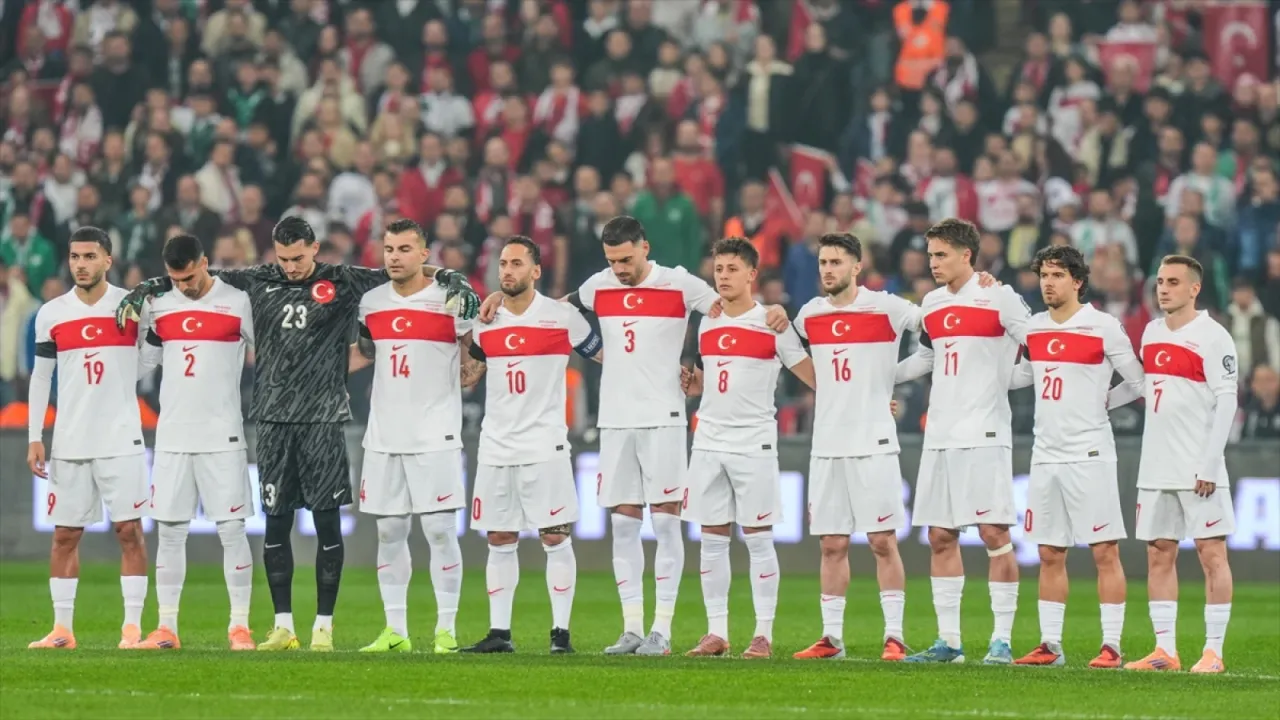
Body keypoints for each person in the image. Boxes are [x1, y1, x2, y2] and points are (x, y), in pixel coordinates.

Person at [114, 216, 480, 652]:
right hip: (271, 419)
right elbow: (200, 276)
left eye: (298, 257)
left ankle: (324, 627)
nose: (290, 266)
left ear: (314, 248)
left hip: (324, 419)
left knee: (328, 523)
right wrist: (147, 288)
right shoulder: (257, 280)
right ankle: (283, 626)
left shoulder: (342, 280)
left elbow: (402, 272)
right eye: (284, 258)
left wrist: (453, 276)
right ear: (274, 253)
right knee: (276, 525)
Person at [476, 215, 787, 656]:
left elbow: (733, 303)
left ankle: (662, 629)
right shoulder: (599, 285)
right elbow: (552, 305)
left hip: (663, 418)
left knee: (664, 522)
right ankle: (632, 628)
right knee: (623, 526)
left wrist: (775, 310)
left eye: (625, 259)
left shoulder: (681, 284)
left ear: (645, 247)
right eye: (612, 260)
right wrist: (500, 298)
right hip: (615, 421)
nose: (620, 269)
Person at [895, 218, 1031, 665]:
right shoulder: (932, 303)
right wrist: (875, 380)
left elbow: (1037, 342)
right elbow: (928, 358)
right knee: (940, 536)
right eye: (931, 254)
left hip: (985, 431)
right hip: (941, 434)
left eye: (941, 255)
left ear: (966, 256)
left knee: (994, 533)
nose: (932, 263)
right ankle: (949, 643)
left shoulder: (1000, 296)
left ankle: (1002, 640)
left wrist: (1011, 380)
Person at [1006, 246, 1144, 669]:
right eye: (1044, 275)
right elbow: (1023, 377)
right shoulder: (1034, 328)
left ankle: (1112, 646)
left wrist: (1105, 401)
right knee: (1049, 552)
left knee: (1104, 551)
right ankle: (1050, 644)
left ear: (1077, 281)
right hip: (1046, 454)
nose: (1048, 282)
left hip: (1089, 453)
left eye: (1057, 275)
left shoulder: (1103, 326)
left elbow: (1138, 381)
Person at [462, 236, 601, 655]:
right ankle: (499, 634)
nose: (508, 270)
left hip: (545, 445)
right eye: (503, 263)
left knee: (555, 537)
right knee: (500, 538)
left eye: (517, 263)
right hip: (496, 444)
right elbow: (471, 368)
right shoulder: (485, 321)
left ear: (536, 271)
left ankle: (561, 635)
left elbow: (608, 356)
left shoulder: (562, 317)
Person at [680, 237, 815, 660]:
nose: (723, 276)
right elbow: (716, 379)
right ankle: (716, 632)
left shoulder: (772, 322)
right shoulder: (708, 321)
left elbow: (810, 373)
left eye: (732, 269)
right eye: (719, 269)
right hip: (708, 439)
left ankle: (763, 634)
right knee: (712, 538)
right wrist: (697, 388)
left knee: (758, 539)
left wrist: (860, 400)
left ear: (752, 275)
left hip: (753, 441)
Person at [346, 219, 474, 655]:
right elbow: (365, 354)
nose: (394, 257)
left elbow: (477, 355)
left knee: (440, 531)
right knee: (389, 532)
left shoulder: (450, 300)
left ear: (424, 254)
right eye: (388, 249)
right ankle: (395, 630)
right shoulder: (370, 303)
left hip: (435, 435)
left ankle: (446, 630)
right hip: (383, 436)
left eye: (404, 249)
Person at [790, 233, 918, 662]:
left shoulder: (888, 307)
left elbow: (937, 329)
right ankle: (831, 638)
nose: (828, 270)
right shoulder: (810, 314)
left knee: (882, 541)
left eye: (836, 262)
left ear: (856, 266)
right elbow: (785, 348)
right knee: (831, 545)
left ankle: (895, 636)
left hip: (874, 443)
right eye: (823, 262)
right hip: (826, 444)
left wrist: (889, 379)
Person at [131, 234, 256, 651]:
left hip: (223, 434)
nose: (183, 286)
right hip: (172, 437)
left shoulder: (237, 302)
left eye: (188, 276)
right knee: (169, 532)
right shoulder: (159, 305)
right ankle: (166, 627)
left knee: (233, 530)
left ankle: (240, 627)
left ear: (205, 262)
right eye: (175, 279)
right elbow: (143, 364)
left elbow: (270, 354)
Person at [27, 227, 150, 650]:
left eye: (89, 257)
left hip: (121, 438)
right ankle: (62, 630)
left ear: (107, 261)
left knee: (129, 531)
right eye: (75, 257)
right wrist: (34, 436)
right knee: (64, 535)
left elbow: (152, 353)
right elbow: (41, 377)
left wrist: (126, 373)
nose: (80, 264)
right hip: (70, 439)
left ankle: (131, 628)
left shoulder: (131, 307)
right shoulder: (52, 313)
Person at [1124, 255, 1238, 674]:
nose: (1163, 288)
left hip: (1197, 468)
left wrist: (1210, 463)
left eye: (1173, 282)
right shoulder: (1152, 332)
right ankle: (1165, 651)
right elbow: (1144, 387)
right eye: (1159, 281)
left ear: (1194, 289)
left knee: (1211, 553)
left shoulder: (1213, 336)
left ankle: (1213, 652)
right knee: (1159, 554)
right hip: (1155, 465)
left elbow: (1227, 400)